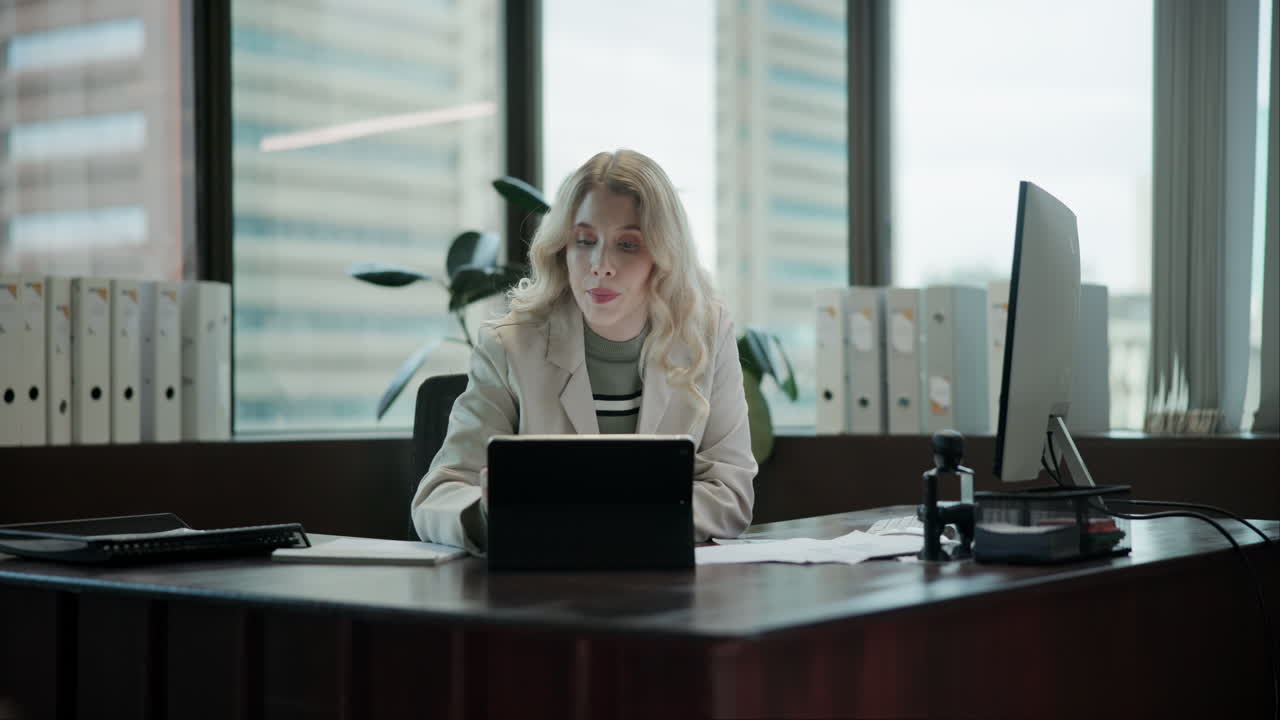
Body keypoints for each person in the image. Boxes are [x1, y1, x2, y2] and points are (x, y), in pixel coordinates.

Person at [411, 149, 756, 554]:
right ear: (562, 248)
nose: (601, 265)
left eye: (628, 245)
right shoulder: (509, 345)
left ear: (664, 257)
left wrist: (612, 520)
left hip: (667, 592)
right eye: (585, 241)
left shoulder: (707, 334)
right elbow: (436, 498)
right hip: (538, 592)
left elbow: (731, 493)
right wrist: (489, 513)